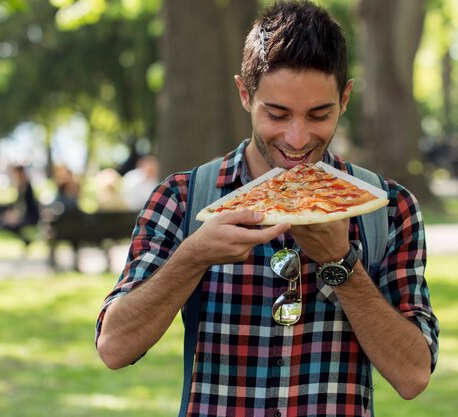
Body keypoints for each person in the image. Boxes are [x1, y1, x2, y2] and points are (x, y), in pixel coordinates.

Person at [95, 2, 439, 416]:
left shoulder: (386, 207)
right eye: (277, 114)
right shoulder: (183, 197)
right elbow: (114, 347)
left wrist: (340, 262)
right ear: (245, 94)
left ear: (345, 98)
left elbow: (413, 375)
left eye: (319, 114)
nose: (297, 139)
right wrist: (195, 255)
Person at [0, 165, 40, 248]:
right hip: (23, 215)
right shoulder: (20, 187)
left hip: (30, 217)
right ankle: (25, 240)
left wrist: (15, 217)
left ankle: (26, 240)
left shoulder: (27, 188)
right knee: (0, 222)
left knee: (8, 224)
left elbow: (25, 207)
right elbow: (17, 205)